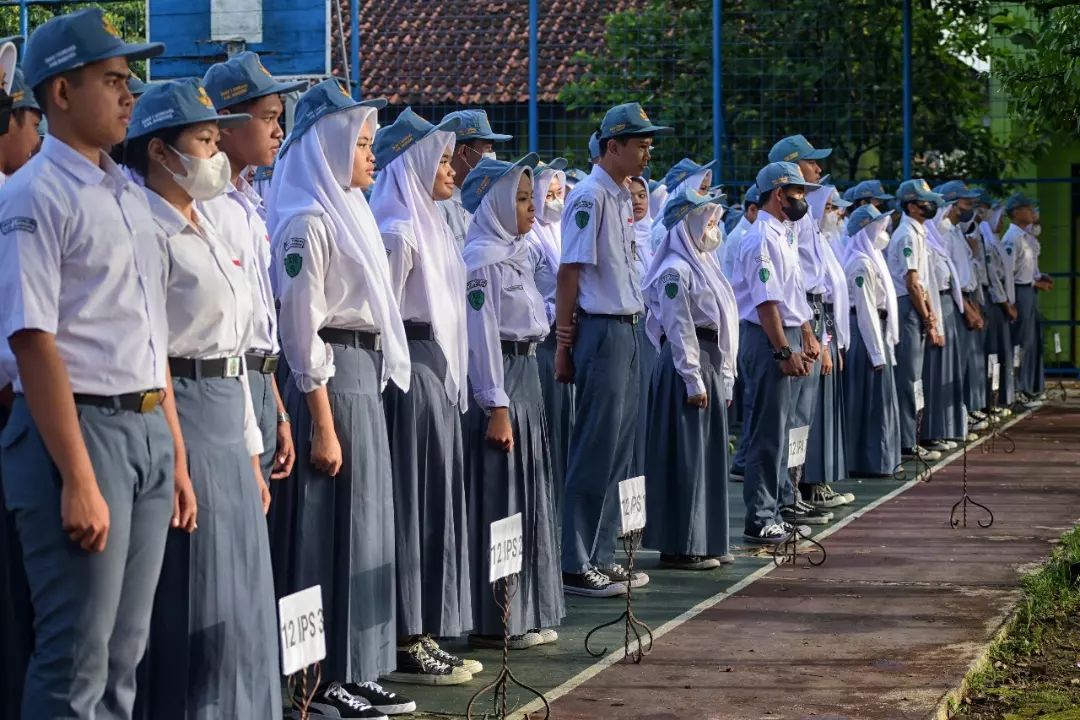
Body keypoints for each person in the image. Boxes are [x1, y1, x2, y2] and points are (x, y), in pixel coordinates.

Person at [0, 11, 181, 719]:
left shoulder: (125, 193)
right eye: (111, 79)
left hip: (141, 430)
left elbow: (147, 332)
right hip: (78, 433)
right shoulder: (35, 196)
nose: (128, 93)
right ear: (60, 94)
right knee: (75, 658)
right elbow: (32, 340)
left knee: (122, 657)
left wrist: (174, 454)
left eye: (128, 79)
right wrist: (77, 477)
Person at [123, 78, 280, 720]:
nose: (216, 153)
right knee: (201, 587)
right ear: (160, 151)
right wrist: (178, 461)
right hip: (182, 407)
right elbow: (156, 355)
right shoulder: (149, 231)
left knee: (242, 592)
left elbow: (234, 349)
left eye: (218, 139)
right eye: (204, 140)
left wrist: (251, 450)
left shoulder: (209, 223)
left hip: (225, 406)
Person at [266, 80, 418, 715]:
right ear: (328, 147)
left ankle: (355, 666)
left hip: (359, 372)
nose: (372, 154)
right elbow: (301, 330)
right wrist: (323, 422)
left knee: (363, 530)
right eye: (360, 143)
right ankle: (318, 682)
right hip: (327, 380)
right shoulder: (306, 223)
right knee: (324, 530)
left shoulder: (349, 211)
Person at [370, 108, 478, 684]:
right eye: (440, 159)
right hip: (408, 371)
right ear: (412, 163)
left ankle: (425, 625)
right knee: (411, 504)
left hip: (433, 367)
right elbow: (383, 314)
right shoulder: (397, 229)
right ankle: (407, 632)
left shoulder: (430, 224)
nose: (451, 170)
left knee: (434, 499)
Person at [555, 103, 671, 596]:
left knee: (620, 448)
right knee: (596, 446)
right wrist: (565, 341)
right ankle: (575, 559)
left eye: (649, 143)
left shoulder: (622, 197)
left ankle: (600, 552)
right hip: (601, 329)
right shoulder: (590, 197)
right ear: (613, 146)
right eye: (640, 143)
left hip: (627, 327)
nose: (648, 152)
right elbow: (570, 272)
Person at [460, 153, 565, 649]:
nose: (530, 208)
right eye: (520, 199)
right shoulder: (481, 260)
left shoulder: (516, 253)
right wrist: (495, 404)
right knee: (501, 493)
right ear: (496, 204)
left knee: (527, 491)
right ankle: (497, 615)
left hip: (526, 372)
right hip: (502, 377)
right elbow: (481, 336)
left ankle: (524, 609)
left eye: (530, 198)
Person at [201, 51, 300, 496]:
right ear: (225, 121)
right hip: (226, 387)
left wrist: (278, 410)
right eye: (268, 118)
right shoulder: (206, 208)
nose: (279, 131)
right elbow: (227, 331)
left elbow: (260, 328)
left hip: (261, 382)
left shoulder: (248, 207)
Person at [642, 187, 738, 570]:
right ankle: (681, 544)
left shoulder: (704, 264)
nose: (713, 229)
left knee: (705, 454)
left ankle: (706, 538)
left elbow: (725, 321)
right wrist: (692, 378)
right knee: (685, 455)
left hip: (707, 363)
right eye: (708, 222)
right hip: (688, 365)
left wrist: (724, 375)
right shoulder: (674, 270)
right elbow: (679, 326)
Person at [729, 161, 819, 544]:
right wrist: (784, 350)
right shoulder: (761, 237)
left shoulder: (784, 233)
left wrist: (808, 334)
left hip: (791, 332)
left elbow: (792, 293)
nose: (804, 200)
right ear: (779, 194)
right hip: (769, 338)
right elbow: (766, 303)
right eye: (798, 192)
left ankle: (779, 505)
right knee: (768, 431)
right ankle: (761, 516)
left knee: (783, 430)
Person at [766, 135, 831, 527]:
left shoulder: (802, 217)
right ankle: (785, 495)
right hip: (793, 315)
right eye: (811, 163)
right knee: (788, 416)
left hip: (807, 313)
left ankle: (792, 488)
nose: (818, 171)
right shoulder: (787, 222)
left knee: (801, 415)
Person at [527, 157, 574, 520]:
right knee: (550, 424)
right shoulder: (529, 240)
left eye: (560, 193)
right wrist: (556, 314)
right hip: (543, 344)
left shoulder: (561, 233)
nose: (556, 200)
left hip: (565, 339)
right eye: (550, 193)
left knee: (565, 425)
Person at [886, 179, 945, 463]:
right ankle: (907, 441)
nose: (930, 206)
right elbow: (911, 282)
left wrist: (929, 311)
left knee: (915, 376)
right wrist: (926, 316)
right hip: (908, 307)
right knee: (909, 376)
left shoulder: (918, 232)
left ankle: (913, 436)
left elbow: (921, 282)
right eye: (925, 201)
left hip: (917, 305)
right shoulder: (907, 235)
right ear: (912, 205)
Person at [802, 181, 853, 507]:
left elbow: (831, 305)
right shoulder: (808, 240)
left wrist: (833, 343)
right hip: (812, 328)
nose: (836, 213)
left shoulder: (823, 241)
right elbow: (813, 301)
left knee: (823, 411)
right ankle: (808, 484)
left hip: (825, 327)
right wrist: (823, 344)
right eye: (831, 206)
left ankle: (820, 480)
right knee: (810, 414)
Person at [842, 206, 901, 476]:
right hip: (866, 334)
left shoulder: (872, 258)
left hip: (876, 329)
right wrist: (877, 353)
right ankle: (866, 461)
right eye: (878, 226)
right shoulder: (860, 264)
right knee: (867, 398)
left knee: (877, 399)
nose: (884, 231)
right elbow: (865, 309)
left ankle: (881, 458)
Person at [921, 196, 967, 450]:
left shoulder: (937, 244)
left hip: (946, 305)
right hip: (936, 308)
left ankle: (945, 428)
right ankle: (931, 431)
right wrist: (934, 323)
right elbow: (926, 285)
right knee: (935, 373)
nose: (949, 216)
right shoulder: (925, 243)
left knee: (947, 371)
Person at [439, 109, 512, 249]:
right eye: (488, 149)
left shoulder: (486, 198)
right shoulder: (440, 207)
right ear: (464, 152)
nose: (492, 155)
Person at [1001, 193, 1050, 402]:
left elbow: (1028, 269)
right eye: (1028, 208)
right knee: (1020, 341)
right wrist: (1011, 302)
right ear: (1016, 212)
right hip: (1019, 294)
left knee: (1031, 341)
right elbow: (1008, 274)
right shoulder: (1012, 239)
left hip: (1029, 292)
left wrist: (1039, 278)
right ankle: (1018, 388)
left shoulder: (1026, 237)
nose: (1033, 212)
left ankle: (1029, 385)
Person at [980, 201, 1017, 410]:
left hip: (1001, 303)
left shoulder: (995, 241)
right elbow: (993, 277)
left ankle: (1000, 397)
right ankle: (992, 400)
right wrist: (1005, 304)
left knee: (1002, 352)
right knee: (993, 352)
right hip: (995, 304)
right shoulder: (987, 240)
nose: (1002, 222)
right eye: (999, 218)